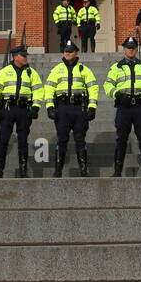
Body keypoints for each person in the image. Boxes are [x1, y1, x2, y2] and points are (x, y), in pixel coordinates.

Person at [104, 35, 141, 178]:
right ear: (124, 50)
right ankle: (117, 171)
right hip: (124, 107)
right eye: (128, 48)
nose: (131, 50)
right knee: (121, 139)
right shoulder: (116, 67)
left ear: (136, 50)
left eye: (133, 48)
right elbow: (107, 85)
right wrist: (117, 94)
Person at [44, 38, 99, 178]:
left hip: (79, 108)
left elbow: (93, 88)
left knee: (80, 138)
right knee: (62, 139)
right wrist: (50, 107)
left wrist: (92, 107)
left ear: (76, 53)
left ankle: (83, 169)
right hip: (62, 108)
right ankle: (58, 170)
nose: (67, 53)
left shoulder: (84, 70)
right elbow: (49, 88)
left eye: (70, 51)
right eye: (66, 51)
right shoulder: (56, 69)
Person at [0, 44, 44, 179]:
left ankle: (23, 171)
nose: (26, 58)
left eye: (26, 56)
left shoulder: (32, 73)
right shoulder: (4, 72)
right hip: (7, 109)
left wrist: (35, 107)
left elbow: (38, 90)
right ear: (15, 57)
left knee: (23, 140)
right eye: (23, 56)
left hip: (24, 110)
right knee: (3, 140)